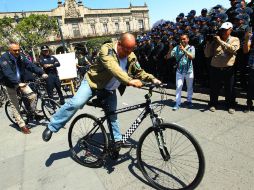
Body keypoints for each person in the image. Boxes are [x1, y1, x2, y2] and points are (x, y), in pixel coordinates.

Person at [42, 33, 161, 142]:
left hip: (109, 89)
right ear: (119, 44)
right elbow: (113, 68)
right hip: (92, 83)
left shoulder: (130, 55)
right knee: (76, 103)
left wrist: (152, 78)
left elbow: (139, 71)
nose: (129, 52)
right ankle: (52, 126)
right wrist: (130, 81)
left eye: (132, 49)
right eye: (126, 49)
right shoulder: (107, 50)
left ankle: (117, 140)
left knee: (112, 115)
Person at [0, 42, 48, 134]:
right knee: (15, 105)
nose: (17, 51)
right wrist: (18, 83)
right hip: (9, 83)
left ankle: (31, 112)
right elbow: (8, 73)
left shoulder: (21, 56)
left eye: (18, 49)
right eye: (15, 50)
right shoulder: (4, 58)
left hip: (21, 82)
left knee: (33, 96)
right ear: (9, 50)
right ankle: (22, 125)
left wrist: (41, 72)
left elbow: (30, 65)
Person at [204, 22, 240, 114]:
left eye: (225, 30)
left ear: (230, 30)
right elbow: (207, 54)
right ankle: (213, 104)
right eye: (222, 30)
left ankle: (230, 105)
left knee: (230, 88)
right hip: (215, 68)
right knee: (214, 88)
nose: (223, 32)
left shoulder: (235, 39)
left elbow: (233, 49)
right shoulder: (215, 40)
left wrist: (220, 41)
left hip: (228, 69)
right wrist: (208, 43)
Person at [165, 34, 195, 110]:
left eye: (184, 39)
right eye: (181, 39)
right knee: (178, 86)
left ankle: (189, 101)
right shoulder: (176, 48)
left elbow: (192, 57)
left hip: (189, 71)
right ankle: (177, 103)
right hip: (179, 71)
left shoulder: (191, 47)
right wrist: (170, 49)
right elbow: (167, 57)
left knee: (189, 87)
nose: (182, 40)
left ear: (188, 39)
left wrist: (184, 50)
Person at [243, 31, 254, 112]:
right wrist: (247, 39)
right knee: (250, 86)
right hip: (252, 65)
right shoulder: (252, 36)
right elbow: (246, 51)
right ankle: (249, 104)